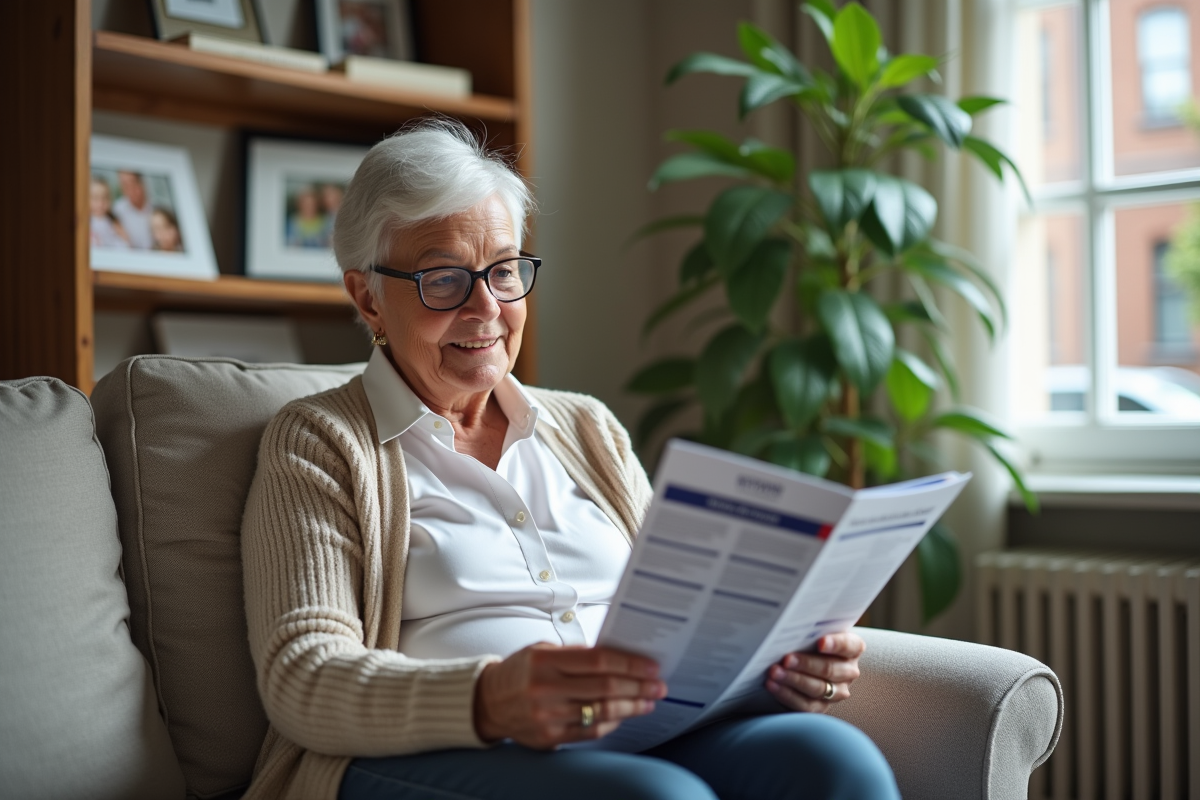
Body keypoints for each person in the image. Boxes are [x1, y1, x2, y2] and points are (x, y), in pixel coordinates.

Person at [240, 119, 900, 800]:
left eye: (503, 270)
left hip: (647, 727)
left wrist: (778, 659)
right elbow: (302, 675)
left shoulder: (587, 425)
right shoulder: (320, 442)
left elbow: (681, 603)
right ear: (367, 296)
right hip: (445, 750)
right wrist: (491, 696)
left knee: (833, 759)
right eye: (443, 280)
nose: (486, 308)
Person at [113, 170, 155, 249]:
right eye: (124, 184)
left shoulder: (156, 208)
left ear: (141, 183)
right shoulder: (117, 210)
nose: (129, 189)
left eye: (132, 182)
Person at [90, 176, 131, 249]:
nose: (100, 203)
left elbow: (126, 244)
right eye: (95, 198)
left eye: (105, 197)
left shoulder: (114, 223)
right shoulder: (85, 223)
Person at [285, 184, 330, 248]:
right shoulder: (291, 222)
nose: (309, 207)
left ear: (317, 204)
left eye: (312, 204)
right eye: (306, 203)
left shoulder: (325, 221)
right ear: (299, 204)